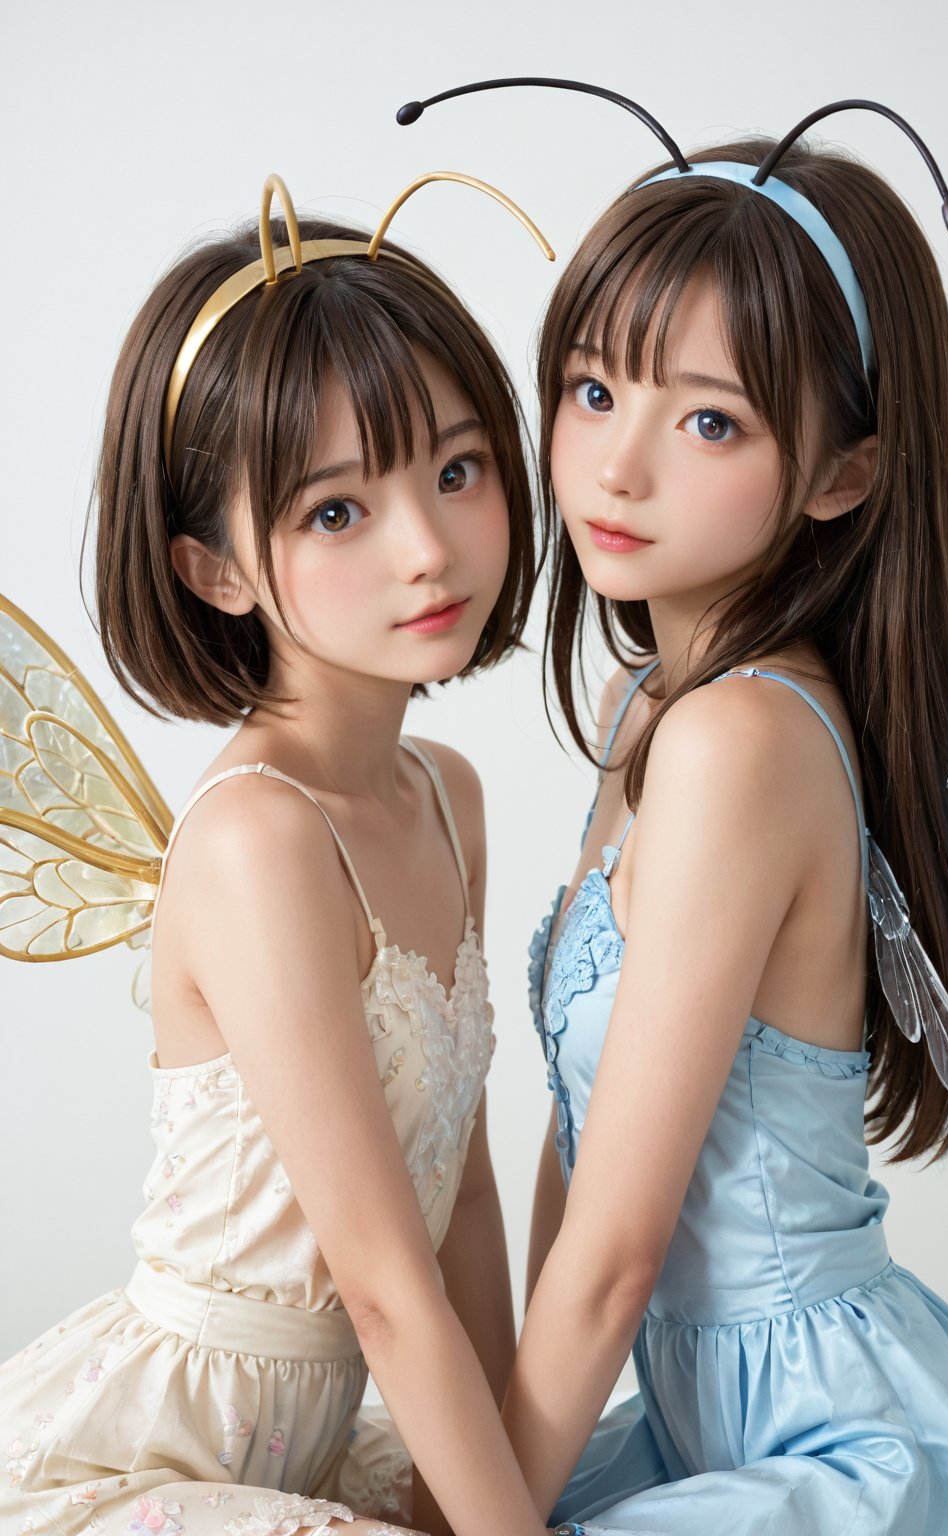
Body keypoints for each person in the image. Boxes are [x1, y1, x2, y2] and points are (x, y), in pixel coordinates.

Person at [0, 175, 551, 1536]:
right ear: (213, 571)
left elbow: (463, 1197)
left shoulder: (449, 795)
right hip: (162, 1461)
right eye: (336, 512)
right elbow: (377, 1278)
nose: (428, 548)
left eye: (457, 470)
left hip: (310, 1444)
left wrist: (466, 1495)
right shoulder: (257, 838)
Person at [506, 112, 948, 1532]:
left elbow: (618, 1257)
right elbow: (579, 1167)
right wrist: (495, 1463)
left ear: (844, 475)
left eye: (711, 419)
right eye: (594, 389)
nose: (618, 465)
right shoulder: (646, 710)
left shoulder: (742, 741)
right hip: (689, 1421)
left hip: (821, 1446)